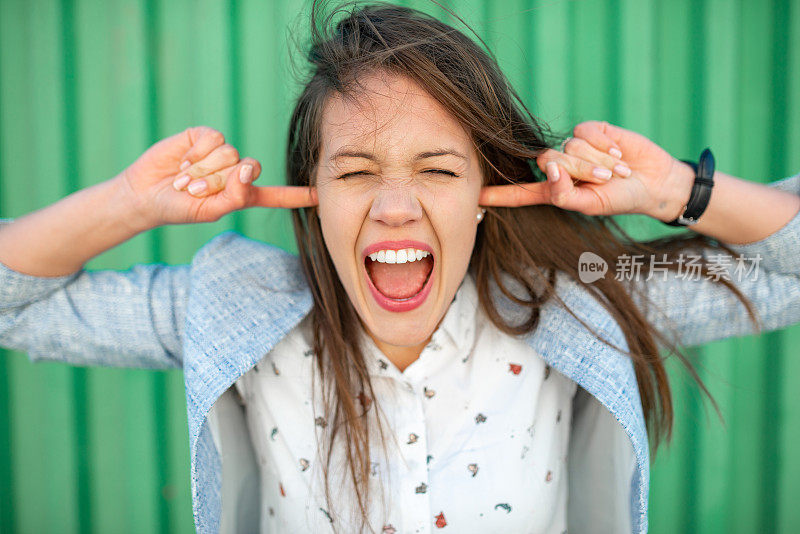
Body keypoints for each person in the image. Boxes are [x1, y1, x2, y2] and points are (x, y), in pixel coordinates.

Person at [1, 2, 799, 533]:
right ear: (306, 195)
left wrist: (676, 190)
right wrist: (130, 203)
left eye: (439, 171)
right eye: (352, 173)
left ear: (491, 194)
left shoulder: (577, 300)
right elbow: (16, 305)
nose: (393, 208)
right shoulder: (231, 309)